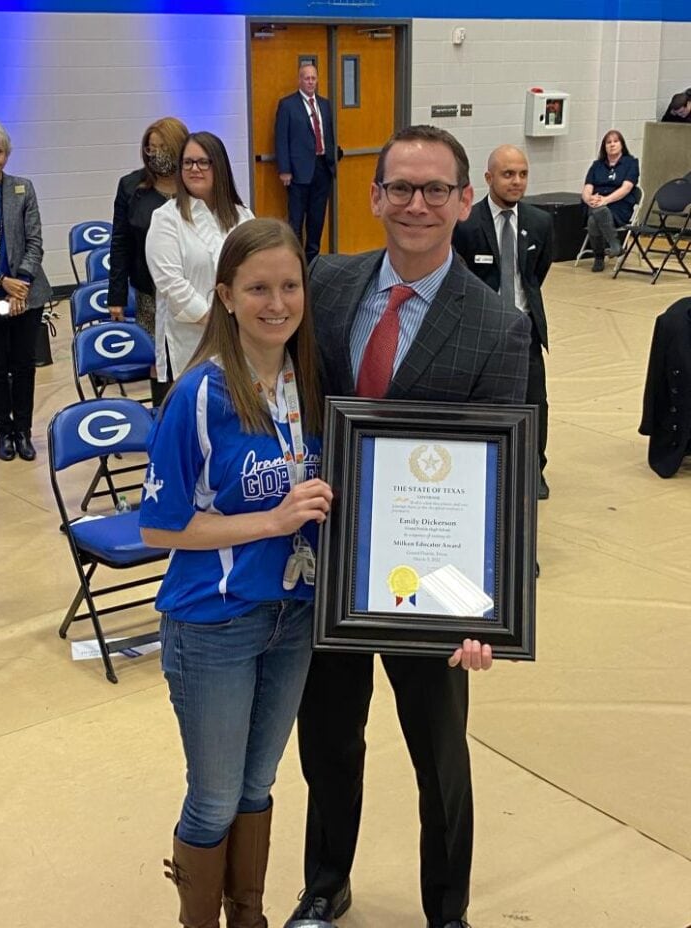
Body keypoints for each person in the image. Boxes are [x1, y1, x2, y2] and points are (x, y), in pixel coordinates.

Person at [284, 125, 531, 928]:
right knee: (327, 744)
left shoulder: (498, 327)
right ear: (373, 195)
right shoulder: (326, 282)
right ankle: (325, 884)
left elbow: (503, 478)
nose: (416, 205)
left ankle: (447, 910)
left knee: (439, 757)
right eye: (400, 188)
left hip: (433, 586)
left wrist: (490, 605)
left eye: (434, 190)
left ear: (465, 200)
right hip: (330, 571)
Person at [139, 217, 333, 928]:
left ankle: (246, 912)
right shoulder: (200, 395)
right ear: (224, 296)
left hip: (296, 617)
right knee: (216, 796)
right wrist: (274, 521)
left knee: (258, 784)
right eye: (257, 288)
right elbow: (159, 527)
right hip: (213, 621)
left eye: (289, 286)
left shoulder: (311, 386)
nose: (276, 303)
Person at [452, 145, 553, 499]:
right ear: (488, 178)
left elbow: (537, 273)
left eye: (523, 174)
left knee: (534, 401)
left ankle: (533, 470)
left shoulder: (540, 223)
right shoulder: (465, 224)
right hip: (479, 330)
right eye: (508, 174)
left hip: (523, 328)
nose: (517, 181)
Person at [145, 131, 254, 383]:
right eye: (187, 162)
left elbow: (257, 270)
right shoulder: (166, 219)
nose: (195, 169)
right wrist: (219, 325)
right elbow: (171, 284)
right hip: (193, 340)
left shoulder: (243, 216)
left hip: (243, 334)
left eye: (203, 162)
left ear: (220, 166)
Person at [108, 116, 189, 406]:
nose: (154, 154)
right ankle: (162, 418)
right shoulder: (131, 187)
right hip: (149, 293)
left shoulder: (196, 184)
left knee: (190, 359)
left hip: (192, 290)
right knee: (160, 360)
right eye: (149, 148)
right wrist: (116, 297)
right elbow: (120, 245)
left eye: (161, 148)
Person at [0, 120, 52, 462]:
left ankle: (23, 432)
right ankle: (3, 431)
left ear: (7, 154)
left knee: (24, 365)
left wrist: (20, 286)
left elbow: (35, 241)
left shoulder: (23, 188)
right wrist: (2, 282)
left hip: (26, 293)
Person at [275, 63, 336, 263]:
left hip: (322, 169)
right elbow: (281, 138)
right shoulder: (287, 105)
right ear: (299, 80)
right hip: (297, 172)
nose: (310, 82)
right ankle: (295, 262)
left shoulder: (325, 105)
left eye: (313, 78)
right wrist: (284, 170)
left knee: (316, 220)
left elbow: (329, 135)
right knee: (296, 221)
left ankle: (312, 263)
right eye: (306, 78)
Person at [581, 129, 639, 272]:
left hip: (619, 204)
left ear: (622, 145)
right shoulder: (597, 165)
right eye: (608, 142)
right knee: (597, 210)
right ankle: (615, 246)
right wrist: (589, 199)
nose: (612, 145)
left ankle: (600, 256)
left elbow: (626, 188)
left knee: (593, 220)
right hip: (596, 202)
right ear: (604, 146)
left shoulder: (631, 163)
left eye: (615, 141)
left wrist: (606, 200)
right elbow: (587, 188)